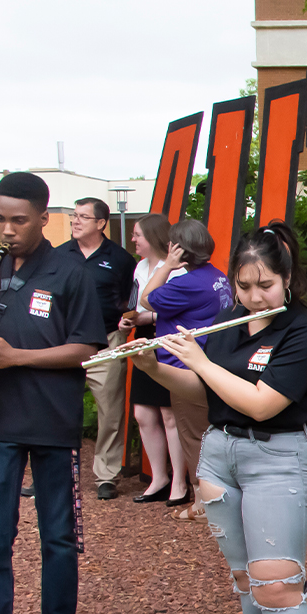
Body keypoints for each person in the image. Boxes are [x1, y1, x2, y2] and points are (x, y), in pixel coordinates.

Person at [130, 222, 307, 614]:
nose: (253, 296)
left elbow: (262, 402)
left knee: (277, 582)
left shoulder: (304, 332)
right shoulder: (225, 323)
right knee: (245, 581)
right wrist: (158, 367)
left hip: (280, 456)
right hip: (221, 454)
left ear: (287, 279)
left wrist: (196, 358)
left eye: (264, 284)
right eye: (243, 286)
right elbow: (198, 390)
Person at [0, 172, 108, 614]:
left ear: (45, 218)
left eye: (18, 220)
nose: (6, 229)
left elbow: (87, 347)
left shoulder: (71, 274)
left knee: (59, 538)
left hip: (52, 421)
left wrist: (13, 356)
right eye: (0, 218)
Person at [138, 219, 233, 520]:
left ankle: (203, 501)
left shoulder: (185, 284)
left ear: (176, 248)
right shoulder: (218, 277)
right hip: (210, 362)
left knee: (193, 434)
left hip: (186, 368)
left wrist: (166, 265)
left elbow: (146, 299)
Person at [58, 197, 137, 499]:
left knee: (110, 411)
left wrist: (125, 321)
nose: (75, 222)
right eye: (73, 216)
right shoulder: (58, 256)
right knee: (57, 409)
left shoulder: (120, 259)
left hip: (106, 341)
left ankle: (106, 475)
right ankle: (52, 471)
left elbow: (131, 300)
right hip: (64, 345)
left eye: (83, 217)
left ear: (101, 223)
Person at [120, 214, 189, 504]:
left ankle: (180, 483)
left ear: (154, 237)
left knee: (170, 414)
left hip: (168, 338)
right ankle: (159, 477)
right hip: (143, 336)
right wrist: (129, 321)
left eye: (138, 235)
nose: (133, 240)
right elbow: (136, 303)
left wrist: (147, 315)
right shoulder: (139, 267)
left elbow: (182, 309)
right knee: (143, 413)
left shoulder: (177, 271)